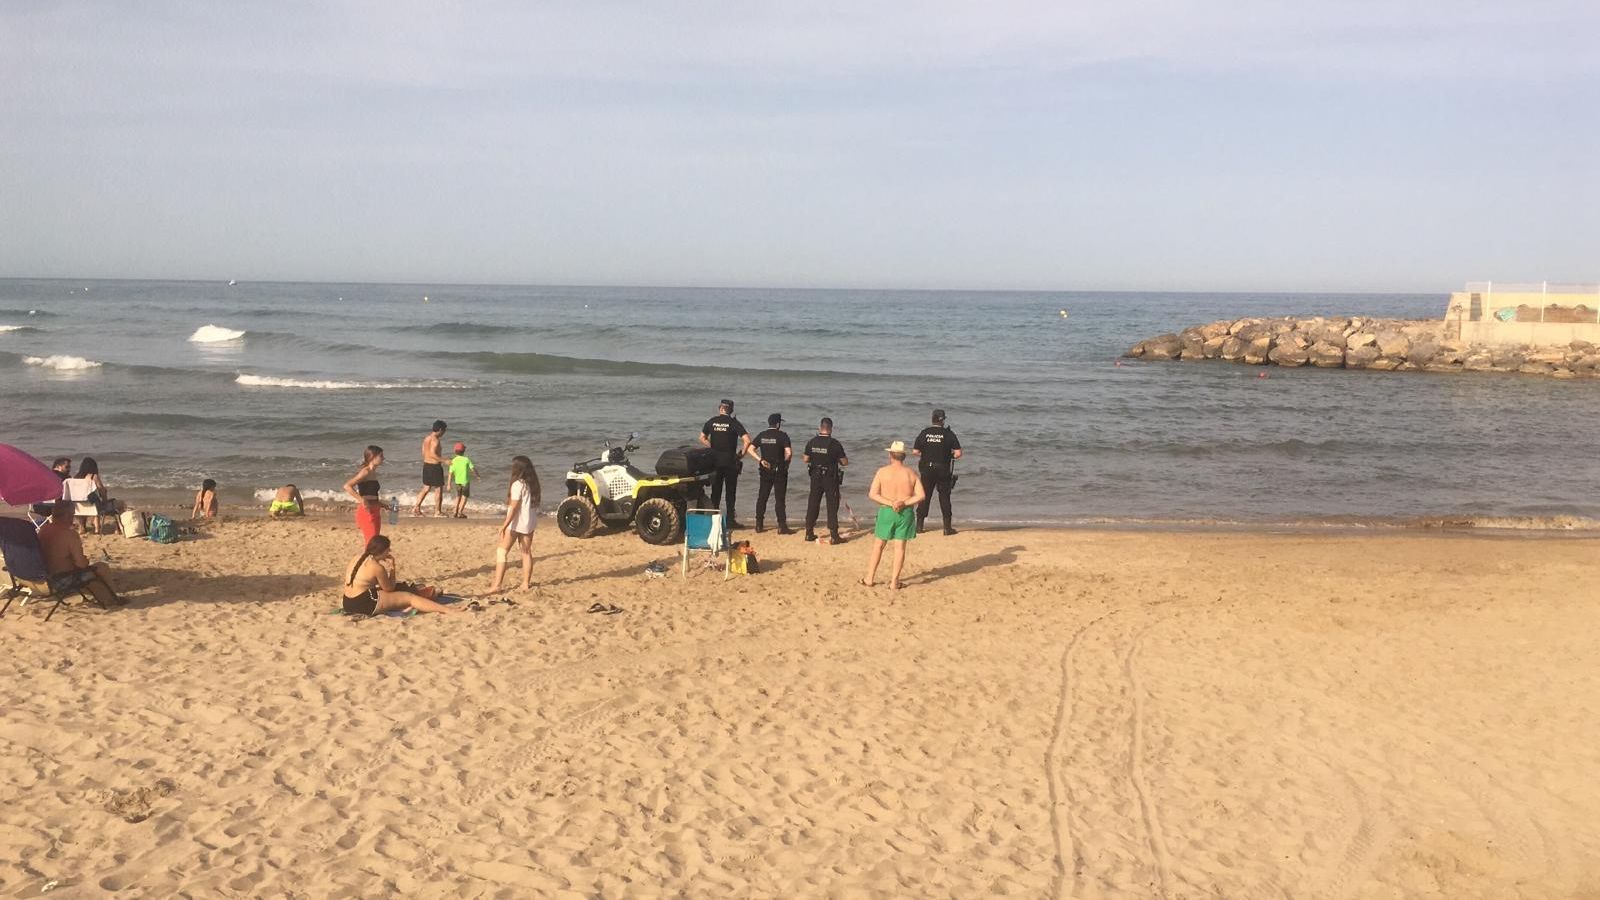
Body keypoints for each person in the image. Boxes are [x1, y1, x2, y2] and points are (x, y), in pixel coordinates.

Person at [862, 441, 927, 590]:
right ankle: (894, 582)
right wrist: (904, 502)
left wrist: (891, 502)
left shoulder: (882, 471)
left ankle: (869, 578)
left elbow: (873, 494)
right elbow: (921, 495)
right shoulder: (911, 473)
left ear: (890, 455)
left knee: (879, 545)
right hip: (905, 512)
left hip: (886, 510)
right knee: (900, 548)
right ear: (904, 456)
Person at [341, 535, 458, 616]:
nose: (389, 552)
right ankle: (448, 611)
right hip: (364, 604)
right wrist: (392, 568)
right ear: (383, 551)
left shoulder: (357, 558)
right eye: (388, 550)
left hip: (347, 602)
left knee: (396, 590)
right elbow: (389, 588)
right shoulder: (377, 567)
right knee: (409, 597)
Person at [38, 498, 123, 608]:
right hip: (62, 580)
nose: (73, 519)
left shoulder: (44, 529)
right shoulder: (69, 534)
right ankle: (110, 599)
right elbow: (81, 564)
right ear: (67, 516)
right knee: (102, 567)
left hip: (44, 577)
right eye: (72, 515)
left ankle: (96, 596)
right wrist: (85, 560)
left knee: (89, 570)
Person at [487, 456, 541, 593]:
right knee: (526, 552)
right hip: (529, 521)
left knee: (502, 551)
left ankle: (497, 584)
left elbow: (514, 507)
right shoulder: (532, 484)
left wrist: (504, 525)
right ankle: (525, 583)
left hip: (517, 522)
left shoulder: (517, 484)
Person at [913, 408, 964, 535]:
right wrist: (949, 454)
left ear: (932, 419)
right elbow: (958, 454)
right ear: (943, 421)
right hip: (943, 469)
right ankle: (947, 528)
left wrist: (927, 453)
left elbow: (915, 451)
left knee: (925, 496)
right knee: (944, 497)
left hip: (927, 469)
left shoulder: (925, 433)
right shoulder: (948, 434)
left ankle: (919, 526)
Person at [699, 400, 749, 527]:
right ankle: (730, 520)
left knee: (716, 492)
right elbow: (747, 440)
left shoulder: (711, 421)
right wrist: (741, 454)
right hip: (731, 462)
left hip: (715, 462)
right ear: (731, 410)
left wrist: (713, 447)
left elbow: (701, 437)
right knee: (730, 493)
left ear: (720, 408)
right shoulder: (734, 423)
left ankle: (713, 520)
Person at [802, 417, 848, 544]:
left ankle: (809, 533)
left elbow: (805, 459)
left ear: (820, 428)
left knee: (813, 503)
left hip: (815, 476)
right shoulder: (834, 444)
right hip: (830, 477)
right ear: (831, 429)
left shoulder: (812, 442)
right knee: (832, 505)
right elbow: (845, 462)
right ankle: (834, 535)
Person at [747, 412, 793, 534]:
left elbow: (750, 449)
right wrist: (786, 463)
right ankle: (782, 526)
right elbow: (788, 453)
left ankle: (759, 525)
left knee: (762, 496)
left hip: (765, 468)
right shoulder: (782, 435)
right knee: (780, 499)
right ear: (778, 424)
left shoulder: (762, 435)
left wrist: (760, 460)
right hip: (779, 470)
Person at [343, 445, 385, 542]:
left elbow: (370, 494)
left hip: (375, 510)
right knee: (371, 543)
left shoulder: (373, 473)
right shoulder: (365, 472)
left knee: (374, 542)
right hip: (367, 512)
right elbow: (347, 486)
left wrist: (382, 504)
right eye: (381, 456)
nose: (383, 458)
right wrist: (362, 500)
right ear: (372, 457)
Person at [412, 420, 449, 517]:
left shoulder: (427, 438)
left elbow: (424, 452)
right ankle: (437, 512)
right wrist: (444, 460)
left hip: (426, 465)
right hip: (435, 467)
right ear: (440, 430)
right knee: (438, 489)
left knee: (426, 488)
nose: (444, 433)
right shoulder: (435, 440)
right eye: (444, 431)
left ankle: (416, 507)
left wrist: (429, 459)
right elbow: (433, 454)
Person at [447, 441, 475, 519]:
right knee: (464, 497)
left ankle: (455, 511)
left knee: (458, 496)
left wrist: (448, 484)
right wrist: (477, 475)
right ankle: (460, 512)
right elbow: (472, 469)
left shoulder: (453, 461)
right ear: (464, 451)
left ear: (455, 451)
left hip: (457, 482)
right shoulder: (466, 459)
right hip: (465, 482)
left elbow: (450, 474)